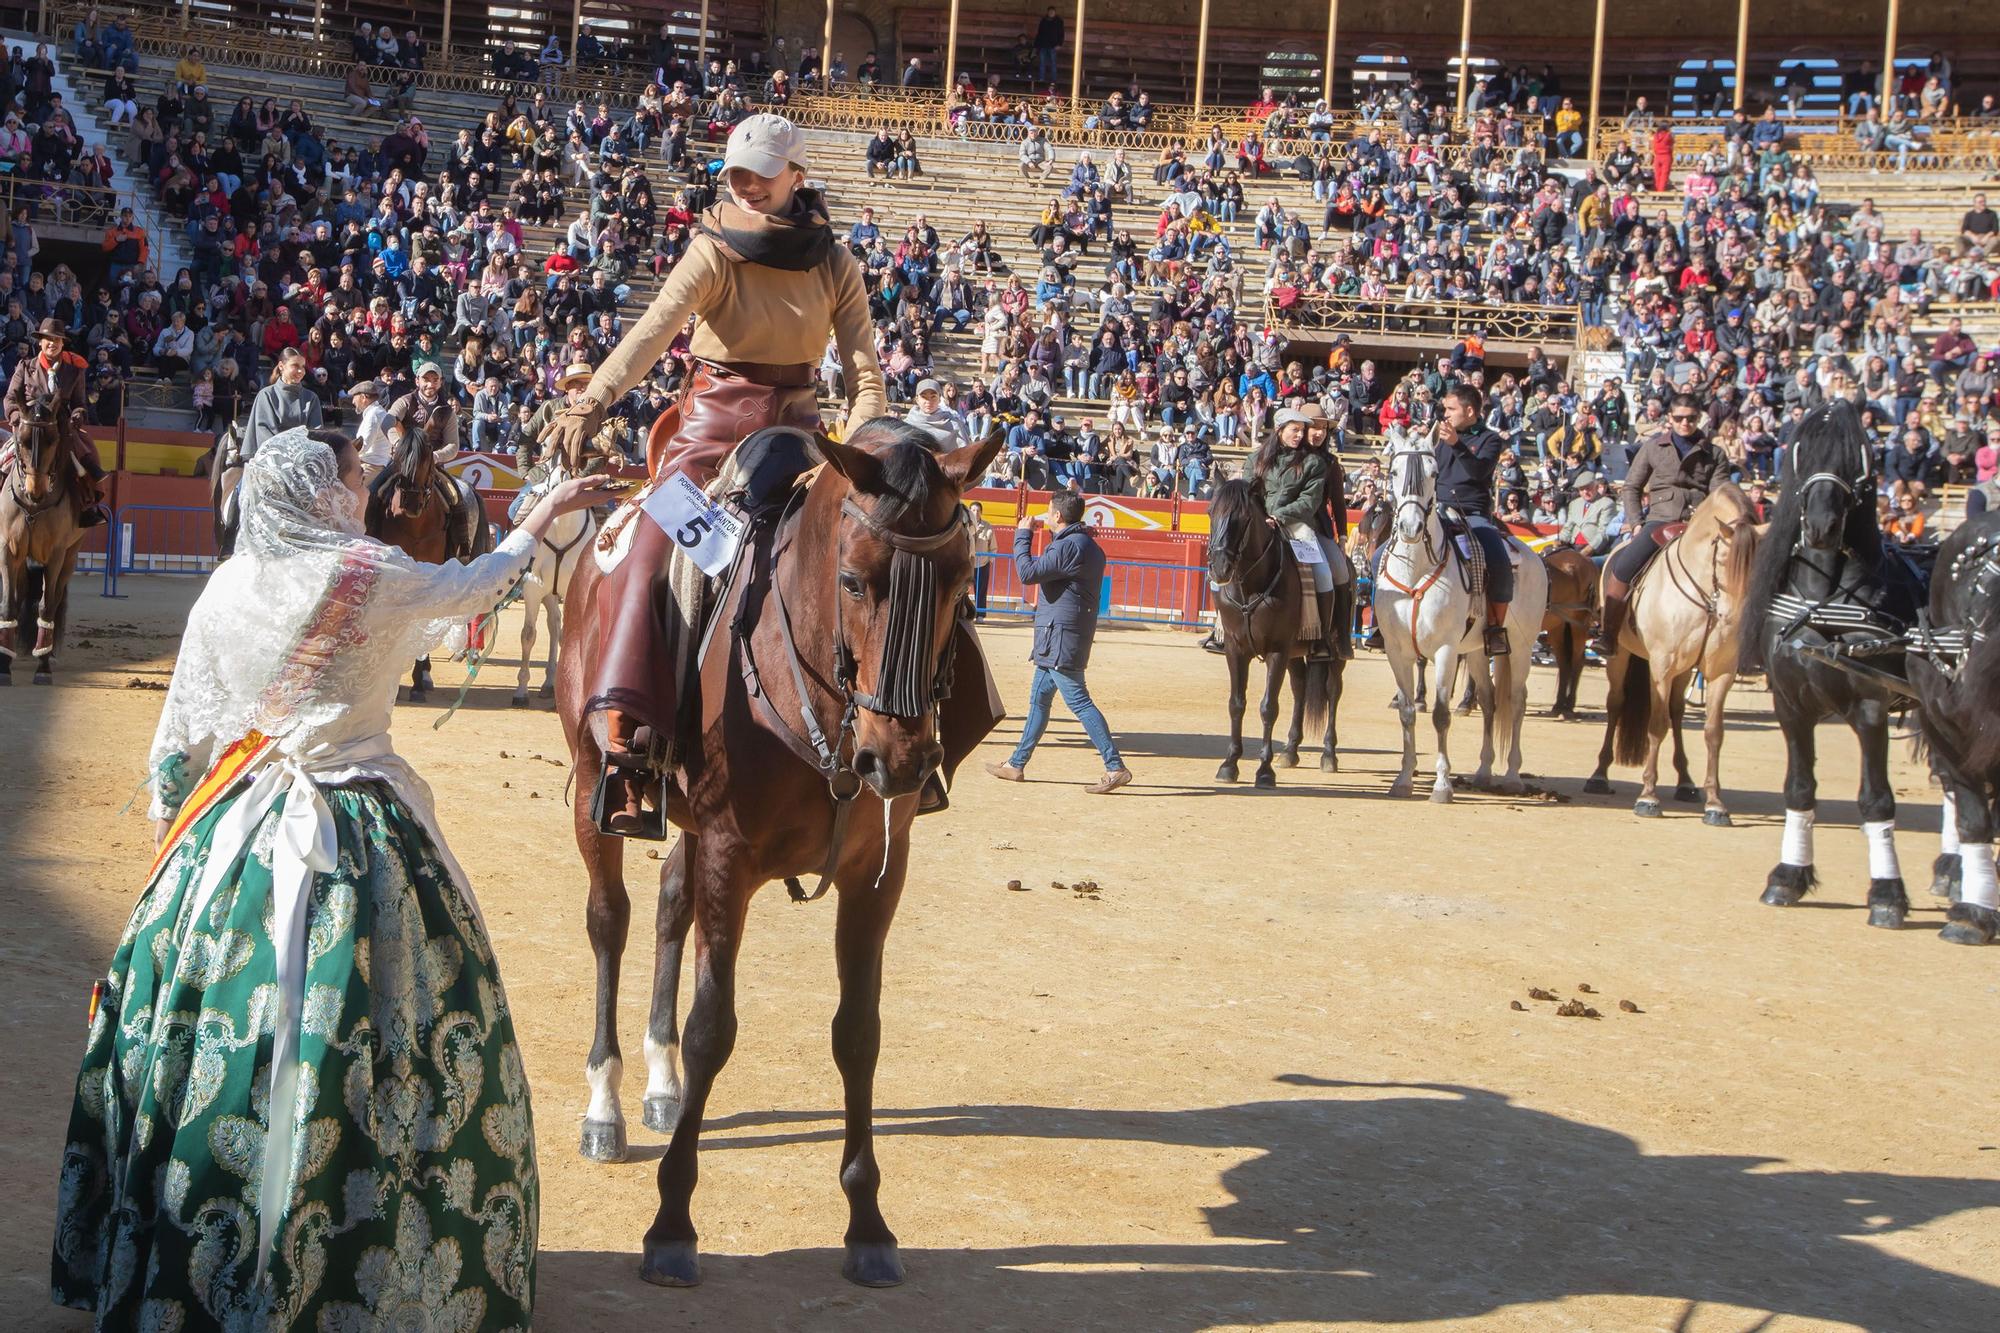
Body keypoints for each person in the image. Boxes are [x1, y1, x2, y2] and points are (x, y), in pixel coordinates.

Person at [50, 425, 616, 1329]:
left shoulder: (226, 582)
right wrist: (541, 509)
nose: (363, 488)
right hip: (354, 831)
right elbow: (476, 584)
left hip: (230, 831)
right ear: (321, 492)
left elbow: (178, 739)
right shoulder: (363, 570)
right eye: (353, 476)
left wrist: (174, 853)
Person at [536, 114, 889, 835]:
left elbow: (864, 372)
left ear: (799, 176)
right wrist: (594, 398)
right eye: (736, 173)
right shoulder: (712, 248)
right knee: (647, 551)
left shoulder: (835, 263)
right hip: (705, 437)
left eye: (762, 171)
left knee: (885, 556)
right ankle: (628, 735)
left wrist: (865, 438)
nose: (747, 185)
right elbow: (654, 327)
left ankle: (910, 736)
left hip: (799, 441)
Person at [984, 487, 1132, 793]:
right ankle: (1016, 764)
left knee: (1079, 701)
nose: (1047, 516)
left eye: (1050, 512)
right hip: (1062, 635)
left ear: (1058, 515)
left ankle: (1114, 766)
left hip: (1059, 637)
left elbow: (1027, 573)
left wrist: (1022, 536)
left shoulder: (1068, 546)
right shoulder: (1085, 544)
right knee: (1039, 700)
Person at [1597, 392, 1729, 653]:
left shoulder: (1715, 454)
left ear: (1699, 418)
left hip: (1700, 527)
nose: (1685, 423)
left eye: (1691, 418)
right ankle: (1608, 635)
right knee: (1623, 567)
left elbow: (1720, 495)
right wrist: (1636, 523)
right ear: (1670, 418)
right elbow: (1631, 487)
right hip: (1659, 522)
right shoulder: (1652, 447)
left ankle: (1729, 643)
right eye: (1679, 418)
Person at [1253, 407, 1344, 662]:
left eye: (1304, 430)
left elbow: (1310, 502)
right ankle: (1222, 630)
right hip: (1262, 522)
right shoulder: (1258, 458)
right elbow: (1248, 490)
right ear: (1280, 430)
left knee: (1325, 572)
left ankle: (1323, 635)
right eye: (1298, 430)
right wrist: (1260, 518)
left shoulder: (1315, 463)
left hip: (1297, 525)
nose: (1303, 434)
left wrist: (1278, 517)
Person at [1432, 382, 1516, 656]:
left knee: (1499, 563)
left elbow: (1479, 472)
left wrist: (1456, 444)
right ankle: (1382, 624)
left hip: (1472, 515)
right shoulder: (1439, 437)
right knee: (1383, 554)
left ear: (1469, 411)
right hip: (1437, 511)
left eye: (1451, 409)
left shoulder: (1491, 439)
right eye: (1445, 408)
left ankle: (1494, 628)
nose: (1445, 414)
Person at [4, 319, 108, 526]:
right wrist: (17, 418)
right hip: (29, 423)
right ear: (40, 342)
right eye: (48, 339)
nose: (52, 343)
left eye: (56, 340)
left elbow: (79, 403)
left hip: (59, 425)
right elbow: (10, 398)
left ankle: (88, 505)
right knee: (4, 458)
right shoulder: (25, 366)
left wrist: (78, 415)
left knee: (85, 451)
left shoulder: (74, 371)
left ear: (62, 343)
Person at [241, 347, 323, 459]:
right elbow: (264, 434)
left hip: (304, 459)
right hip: (271, 460)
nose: (300, 371)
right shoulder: (266, 395)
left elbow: (316, 433)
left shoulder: (312, 398)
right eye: (295, 366)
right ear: (281, 366)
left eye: (303, 367)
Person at [1559, 471, 1618, 557]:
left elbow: (1604, 532)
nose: (1585, 492)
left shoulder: (1607, 503)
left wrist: (1587, 550)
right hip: (1573, 546)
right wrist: (1560, 541)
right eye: (1581, 489)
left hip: (1594, 549)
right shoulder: (1575, 503)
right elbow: (1568, 527)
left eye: (1588, 488)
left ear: (1596, 487)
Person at [346, 378, 394, 482]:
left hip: (372, 466)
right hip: (370, 463)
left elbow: (363, 445)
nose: (353, 401)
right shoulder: (375, 412)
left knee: (348, 489)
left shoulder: (373, 415)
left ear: (363, 397)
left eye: (355, 397)